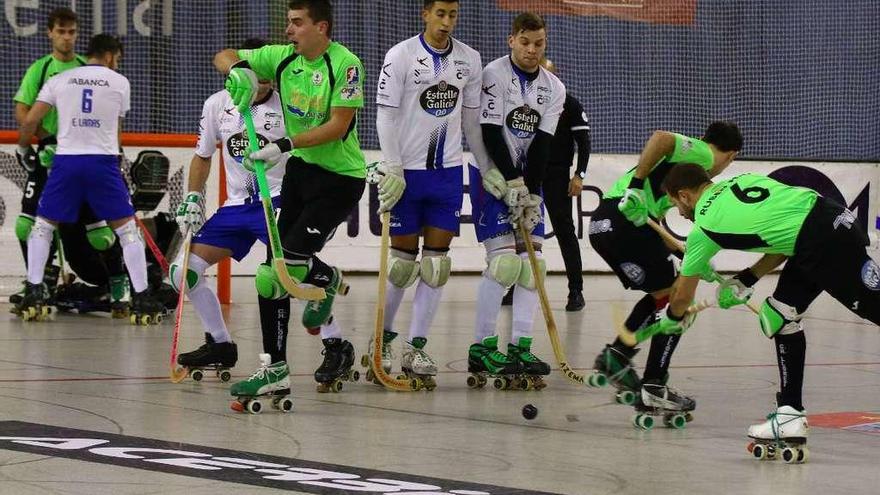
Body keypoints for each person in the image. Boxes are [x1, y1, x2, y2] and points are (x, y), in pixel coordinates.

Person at [656, 163, 880, 455]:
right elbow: (783, 232)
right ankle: (789, 415)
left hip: (823, 242)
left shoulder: (703, 230)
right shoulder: (741, 180)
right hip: (827, 219)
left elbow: (682, 298)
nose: (680, 212)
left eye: (675, 204)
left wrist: (672, 318)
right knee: (780, 313)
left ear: (684, 195)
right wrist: (747, 278)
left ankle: (790, 414)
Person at [213, 0, 366, 392]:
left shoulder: (345, 64)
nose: (289, 30)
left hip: (338, 179)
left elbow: (337, 125)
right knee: (270, 276)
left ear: (321, 27)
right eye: (288, 22)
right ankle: (274, 369)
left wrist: (282, 144)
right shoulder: (282, 59)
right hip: (301, 172)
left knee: (292, 267)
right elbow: (222, 54)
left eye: (297, 23)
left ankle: (326, 279)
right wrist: (238, 71)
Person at [370, 0, 488, 389]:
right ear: (425, 14)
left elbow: (471, 120)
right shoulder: (401, 55)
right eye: (440, 14)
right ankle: (381, 342)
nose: (446, 22)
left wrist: (487, 169)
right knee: (403, 264)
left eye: (453, 15)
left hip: (447, 175)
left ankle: (416, 347)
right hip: (408, 174)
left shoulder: (470, 59)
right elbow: (384, 114)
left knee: (436, 266)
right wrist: (393, 166)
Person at [588, 122, 742, 410]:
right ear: (731, 155)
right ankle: (653, 383)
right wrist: (635, 186)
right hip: (627, 223)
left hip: (604, 224)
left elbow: (655, 224)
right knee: (678, 300)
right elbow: (661, 138)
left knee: (664, 294)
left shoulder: (677, 170)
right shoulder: (704, 156)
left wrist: (685, 253)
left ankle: (618, 355)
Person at [15, 34, 164, 323]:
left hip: (66, 161)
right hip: (102, 163)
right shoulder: (120, 82)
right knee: (125, 230)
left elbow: (31, 121)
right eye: (117, 58)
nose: (116, 63)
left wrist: (23, 148)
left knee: (43, 226)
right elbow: (116, 130)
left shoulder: (60, 79)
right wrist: (118, 162)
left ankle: (34, 289)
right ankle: (142, 297)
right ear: (109, 56)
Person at [172, 38, 289, 388]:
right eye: (255, 78)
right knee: (183, 271)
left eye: (267, 79)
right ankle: (220, 343)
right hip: (237, 206)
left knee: (288, 275)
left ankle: (334, 341)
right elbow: (203, 154)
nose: (261, 85)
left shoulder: (288, 109)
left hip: (277, 202)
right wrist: (193, 197)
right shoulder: (218, 105)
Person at [466, 12, 565, 390]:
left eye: (538, 43)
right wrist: (511, 181)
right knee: (505, 264)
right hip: (491, 177)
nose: (532, 50)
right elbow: (490, 131)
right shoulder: (494, 74)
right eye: (525, 42)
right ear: (512, 40)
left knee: (533, 265)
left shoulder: (554, 88)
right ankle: (482, 346)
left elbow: (541, 144)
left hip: (525, 183)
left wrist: (532, 191)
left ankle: (521, 346)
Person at [12, 7, 130, 316]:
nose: (66, 37)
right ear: (50, 33)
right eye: (61, 31)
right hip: (50, 151)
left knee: (101, 231)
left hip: (86, 154)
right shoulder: (40, 69)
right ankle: (38, 282)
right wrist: (38, 138)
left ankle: (120, 283)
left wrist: (115, 151)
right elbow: (23, 112)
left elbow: (110, 115)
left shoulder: (86, 69)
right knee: (29, 225)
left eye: (72, 32)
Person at [540, 58, 591, 312]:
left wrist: (579, 175)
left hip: (558, 176)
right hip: (529, 175)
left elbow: (584, 142)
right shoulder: (526, 101)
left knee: (565, 232)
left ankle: (576, 290)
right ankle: (515, 287)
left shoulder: (569, 104)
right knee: (522, 234)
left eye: (549, 75)